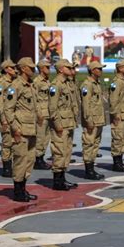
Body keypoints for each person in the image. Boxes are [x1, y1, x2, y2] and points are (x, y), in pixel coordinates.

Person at [4, 57, 39, 202]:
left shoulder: (30, 85)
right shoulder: (16, 85)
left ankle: (23, 188)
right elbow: (8, 108)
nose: (33, 70)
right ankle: (18, 191)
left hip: (31, 128)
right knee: (20, 161)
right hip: (21, 129)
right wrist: (14, 128)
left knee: (29, 160)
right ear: (23, 68)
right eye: (30, 68)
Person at [49, 59, 78, 191]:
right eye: (68, 67)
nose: (70, 69)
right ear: (61, 69)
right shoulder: (56, 85)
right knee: (59, 151)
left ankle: (63, 178)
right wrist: (57, 123)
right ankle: (57, 181)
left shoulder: (67, 84)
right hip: (61, 123)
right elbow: (52, 107)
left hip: (68, 122)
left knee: (66, 151)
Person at [80, 61, 106, 180]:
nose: (101, 70)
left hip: (98, 119)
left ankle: (91, 168)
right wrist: (88, 120)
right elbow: (86, 104)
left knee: (95, 144)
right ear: (92, 70)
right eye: (99, 69)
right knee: (89, 144)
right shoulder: (87, 85)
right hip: (92, 120)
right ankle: (88, 170)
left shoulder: (96, 83)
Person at [0, 59, 17, 177]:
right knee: (7, 143)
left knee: (15, 142)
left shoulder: (14, 82)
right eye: (12, 68)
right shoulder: (1, 83)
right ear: (6, 69)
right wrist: (3, 119)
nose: (14, 70)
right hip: (5, 118)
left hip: (14, 117)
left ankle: (12, 165)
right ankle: (6, 168)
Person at [33, 59, 51, 170]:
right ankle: (37, 159)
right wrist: (38, 114)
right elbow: (35, 100)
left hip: (48, 112)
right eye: (47, 67)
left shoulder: (47, 81)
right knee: (40, 137)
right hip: (41, 114)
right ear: (41, 68)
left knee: (46, 137)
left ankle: (42, 157)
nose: (49, 69)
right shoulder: (37, 82)